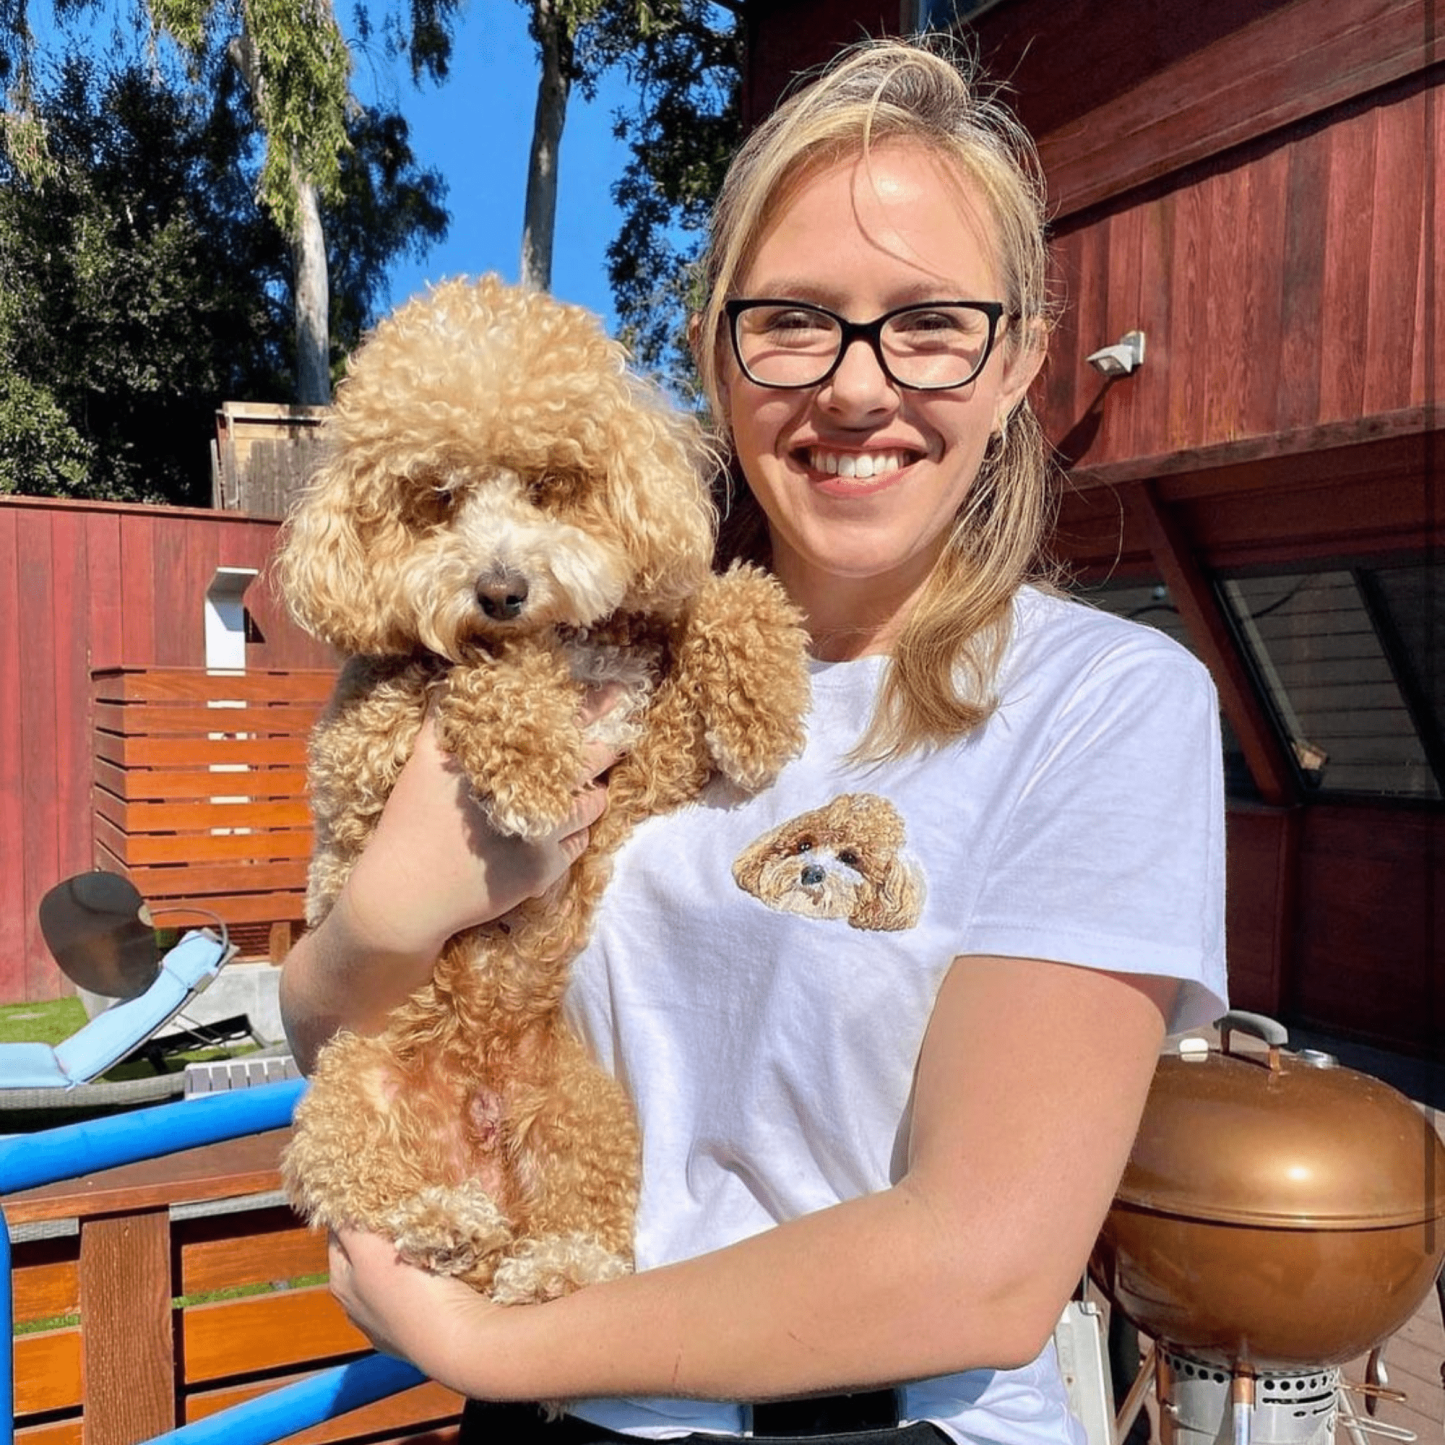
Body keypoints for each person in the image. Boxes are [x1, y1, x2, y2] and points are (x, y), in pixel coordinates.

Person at [280, 35, 1227, 1445]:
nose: (856, 389)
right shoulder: (586, 667)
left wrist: (485, 1345)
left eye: (929, 323)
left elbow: (983, 1266)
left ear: (1019, 357)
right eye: (793, 319)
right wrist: (384, 914)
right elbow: (322, 1028)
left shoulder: (1107, 705)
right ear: (718, 353)